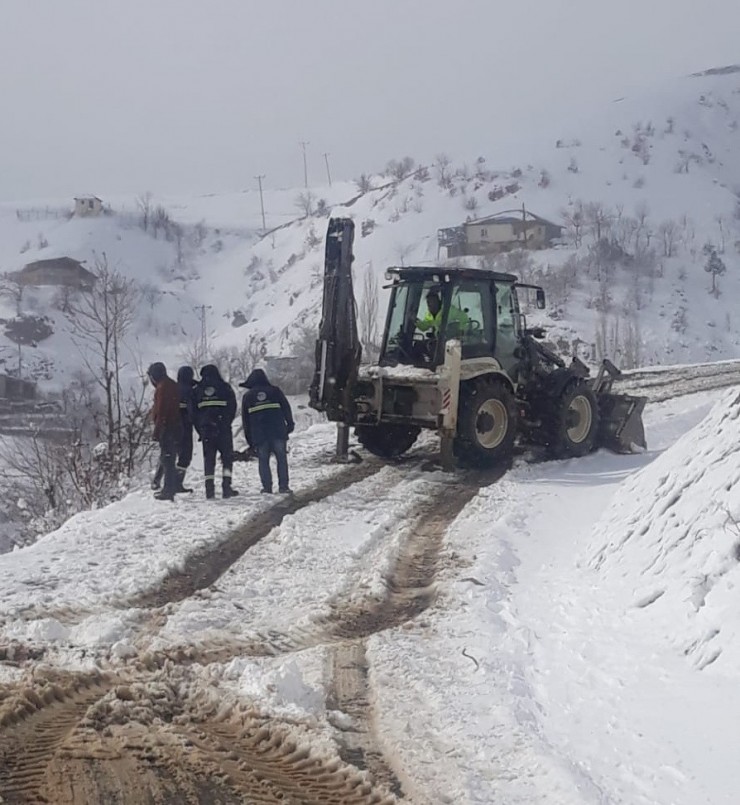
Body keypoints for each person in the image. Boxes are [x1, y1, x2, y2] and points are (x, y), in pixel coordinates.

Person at [240, 368, 294, 494]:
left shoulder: (248, 396)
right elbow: (286, 408)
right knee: (281, 459)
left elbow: (245, 420)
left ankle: (267, 487)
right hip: (277, 431)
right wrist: (290, 424)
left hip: (260, 434)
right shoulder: (275, 391)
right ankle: (284, 486)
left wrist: (250, 440)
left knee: (263, 461)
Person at [193, 364, 239, 499]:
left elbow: (193, 413)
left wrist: (200, 428)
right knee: (227, 458)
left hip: (207, 430)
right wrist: (225, 422)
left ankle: (209, 490)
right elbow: (232, 407)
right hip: (223, 429)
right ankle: (226, 487)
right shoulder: (225, 388)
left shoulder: (197, 391)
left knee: (209, 460)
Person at [151, 365, 197, 493]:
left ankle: (157, 480)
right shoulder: (190, 391)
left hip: (171, 426)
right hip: (184, 426)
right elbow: (193, 411)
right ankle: (176, 483)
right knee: (183, 456)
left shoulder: (171, 388)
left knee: (167, 455)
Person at [147, 362, 182, 502]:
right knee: (169, 457)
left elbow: (161, 411)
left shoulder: (162, 388)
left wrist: (157, 431)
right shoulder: (172, 384)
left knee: (168, 458)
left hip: (167, 427)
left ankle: (168, 489)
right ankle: (169, 486)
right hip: (175, 426)